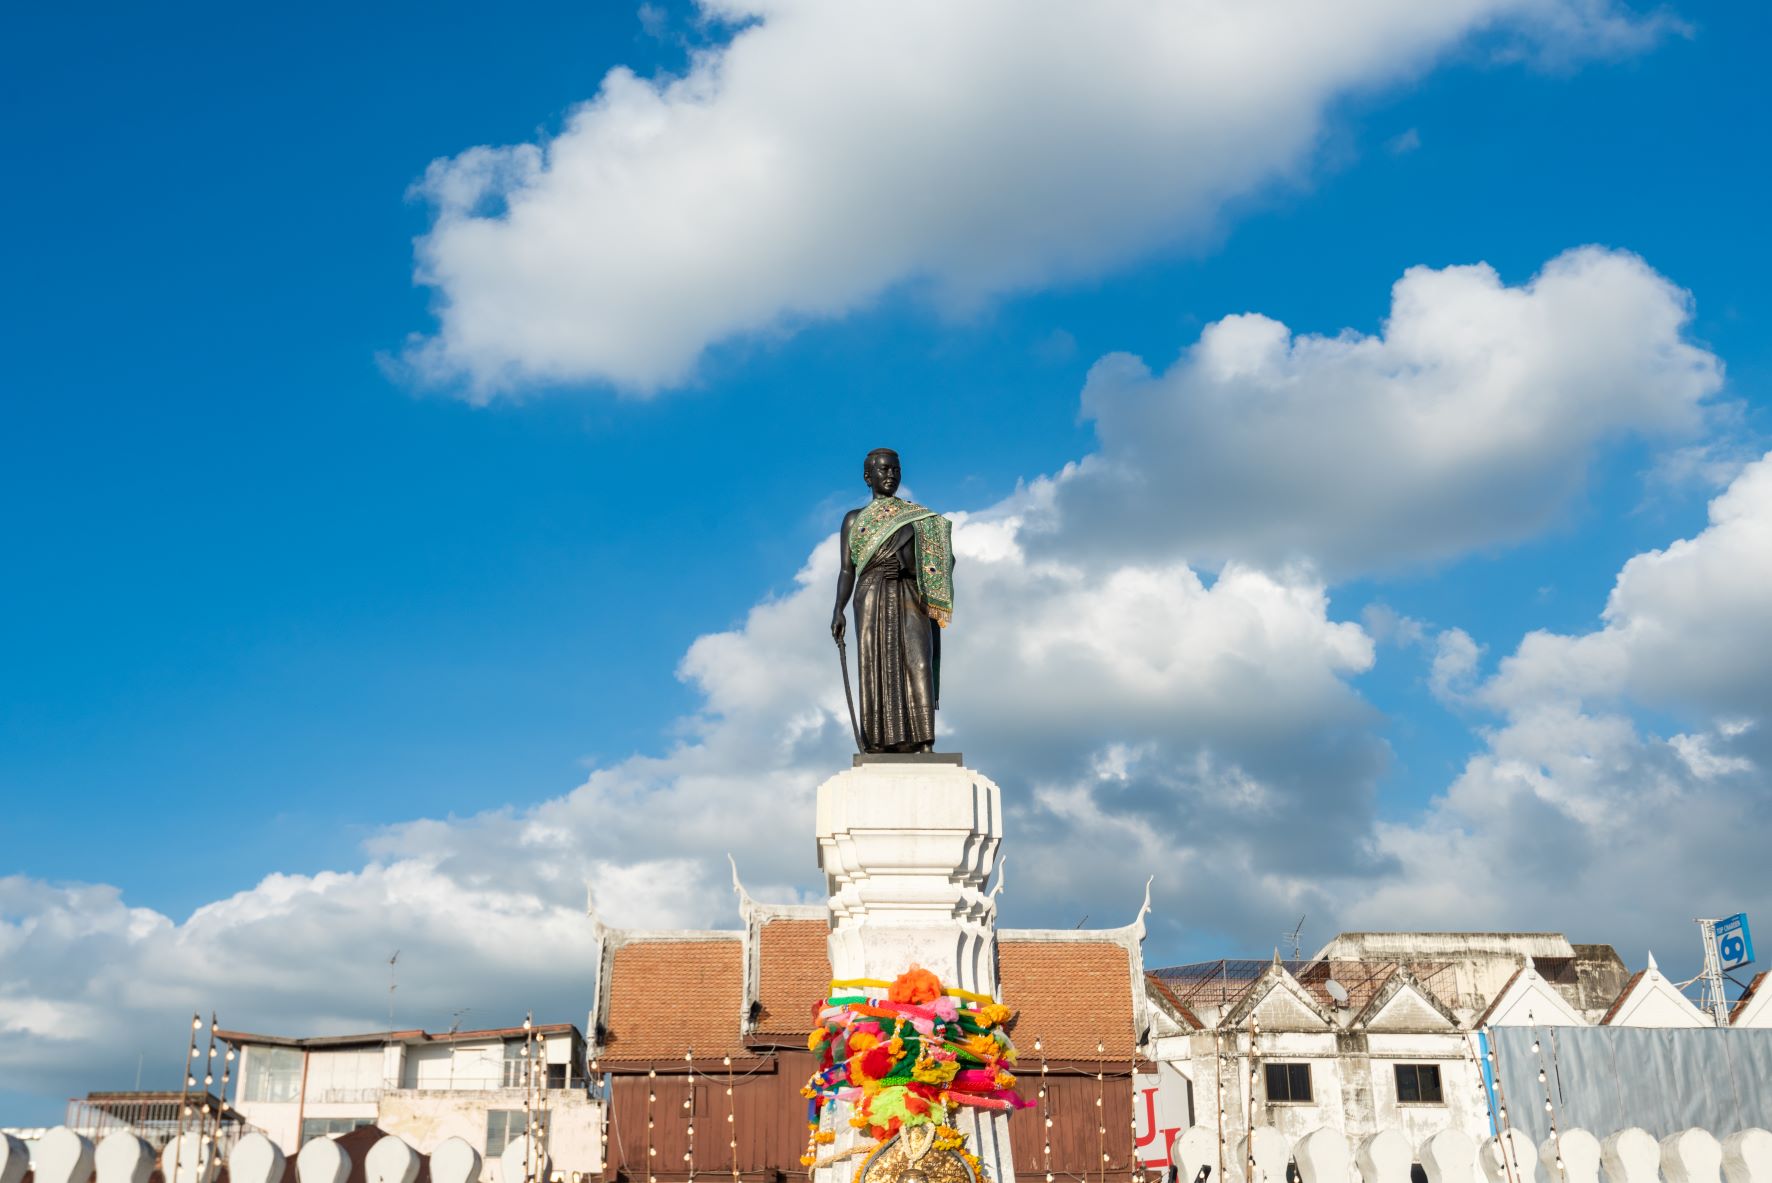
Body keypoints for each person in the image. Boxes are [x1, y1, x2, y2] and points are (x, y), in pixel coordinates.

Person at [830, 449, 955, 753]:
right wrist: (838, 609)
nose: (891, 475)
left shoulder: (919, 519)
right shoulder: (854, 519)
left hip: (910, 592)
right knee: (873, 664)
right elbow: (847, 570)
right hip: (870, 594)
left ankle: (924, 741)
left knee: (918, 660)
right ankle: (878, 741)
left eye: (896, 470)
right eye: (884, 470)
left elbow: (943, 560)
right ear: (868, 476)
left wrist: (907, 566)